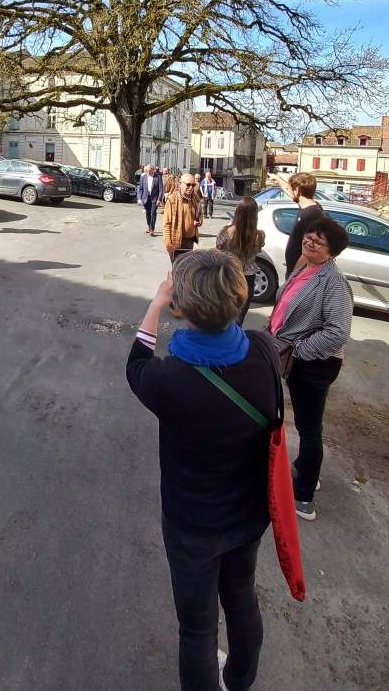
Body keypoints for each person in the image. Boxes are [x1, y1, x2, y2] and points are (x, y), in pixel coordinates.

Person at [126, 250, 279, 691]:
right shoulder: (264, 350)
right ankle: (240, 680)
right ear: (237, 299)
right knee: (242, 600)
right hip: (248, 515)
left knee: (196, 630)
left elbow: (136, 361)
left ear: (181, 307)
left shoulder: (168, 380)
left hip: (192, 524)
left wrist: (155, 303)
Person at [266, 216, 353, 522]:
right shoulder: (306, 266)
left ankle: (304, 497)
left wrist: (301, 351)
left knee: (309, 429)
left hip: (314, 364)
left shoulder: (334, 282)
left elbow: (338, 331)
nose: (309, 242)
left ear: (332, 251)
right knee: (305, 425)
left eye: (318, 241)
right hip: (290, 355)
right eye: (308, 236)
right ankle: (306, 468)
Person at [216, 197, 266, 324]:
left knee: (223, 312)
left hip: (228, 274)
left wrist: (230, 224)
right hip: (247, 277)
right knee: (239, 315)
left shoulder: (226, 231)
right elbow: (260, 247)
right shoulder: (259, 235)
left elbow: (218, 247)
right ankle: (234, 339)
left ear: (237, 211)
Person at [267, 171, 323, 276]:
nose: (289, 191)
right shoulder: (308, 206)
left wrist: (293, 275)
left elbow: (309, 251)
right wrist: (277, 178)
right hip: (295, 271)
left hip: (298, 274)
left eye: (292, 189)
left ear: (297, 191)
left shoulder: (311, 215)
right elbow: (289, 191)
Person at [163, 173, 203, 259]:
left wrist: (199, 221)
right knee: (178, 270)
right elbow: (167, 224)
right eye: (188, 185)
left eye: (193, 185)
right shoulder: (172, 200)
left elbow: (200, 213)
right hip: (176, 243)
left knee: (187, 269)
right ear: (180, 184)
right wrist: (168, 245)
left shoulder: (196, 198)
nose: (191, 188)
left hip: (190, 242)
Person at [137, 164, 163, 236]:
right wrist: (139, 198)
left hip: (154, 198)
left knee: (153, 212)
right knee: (148, 213)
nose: (148, 172)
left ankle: (152, 229)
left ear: (153, 170)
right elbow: (141, 189)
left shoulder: (158, 177)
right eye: (147, 171)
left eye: (149, 170)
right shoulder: (143, 177)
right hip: (146, 198)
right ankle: (149, 226)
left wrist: (159, 199)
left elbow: (160, 189)